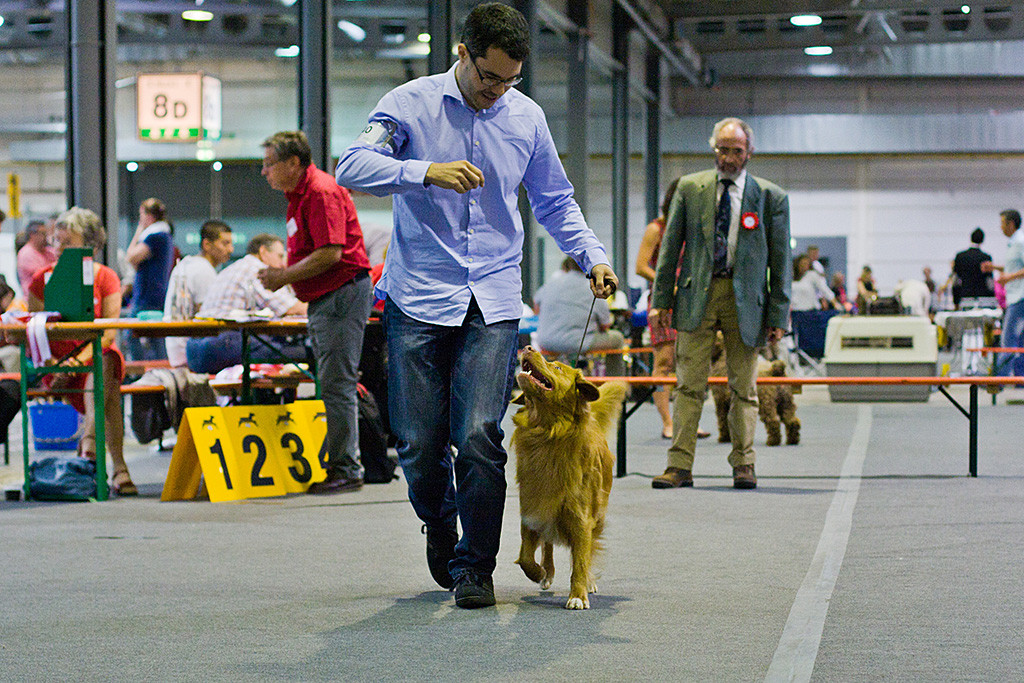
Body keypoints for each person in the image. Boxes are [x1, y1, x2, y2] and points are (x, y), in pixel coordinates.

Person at [335, 2, 618, 609]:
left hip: (492, 297)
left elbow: (555, 201)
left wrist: (592, 255)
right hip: (418, 297)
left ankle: (476, 568)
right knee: (416, 441)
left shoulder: (526, 118)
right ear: (462, 54)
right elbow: (351, 166)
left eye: (509, 81)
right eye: (488, 77)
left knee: (480, 433)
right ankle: (441, 524)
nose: (496, 92)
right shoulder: (409, 104)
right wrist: (424, 171)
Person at [649, 117, 790, 491]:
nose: (728, 158)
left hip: (749, 303)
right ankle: (679, 467)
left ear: (749, 153)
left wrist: (778, 313)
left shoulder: (771, 197)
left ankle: (744, 465)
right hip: (697, 294)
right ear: (714, 150)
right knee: (687, 386)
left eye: (736, 151)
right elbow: (670, 248)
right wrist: (661, 298)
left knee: (745, 388)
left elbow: (781, 261)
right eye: (722, 150)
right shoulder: (690, 188)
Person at [256, 130, 373, 495]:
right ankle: (341, 463)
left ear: (293, 163)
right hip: (329, 296)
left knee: (337, 384)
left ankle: (345, 468)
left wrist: (282, 277)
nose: (264, 172)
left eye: (269, 164)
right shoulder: (300, 194)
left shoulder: (320, 191)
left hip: (340, 293)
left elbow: (331, 253)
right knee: (333, 382)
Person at [27, 207, 136, 495]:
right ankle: (119, 467)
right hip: (56, 368)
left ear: (90, 246)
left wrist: (77, 362)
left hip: (91, 361)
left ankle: (88, 444)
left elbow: (109, 334)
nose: (59, 248)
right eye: (57, 241)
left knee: (106, 361)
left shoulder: (106, 277)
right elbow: (33, 331)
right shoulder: (41, 279)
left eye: (67, 242)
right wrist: (55, 365)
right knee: (108, 390)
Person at [635, 179, 711, 440]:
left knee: (690, 363)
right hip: (663, 301)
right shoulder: (656, 229)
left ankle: (688, 422)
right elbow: (640, 266)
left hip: (691, 301)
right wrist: (668, 283)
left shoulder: (696, 229)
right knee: (664, 362)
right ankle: (668, 422)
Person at [186, 233, 307, 374]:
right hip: (220, 345)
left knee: (271, 346)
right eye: (280, 256)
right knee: (304, 353)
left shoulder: (234, 268)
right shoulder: (257, 269)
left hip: (194, 349)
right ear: (263, 252)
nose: (282, 264)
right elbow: (293, 308)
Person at [534, 257, 625, 375]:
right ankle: (615, 383)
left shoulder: (551, 282)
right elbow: (605, 325)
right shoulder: (594, 286)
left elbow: (536, 306)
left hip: (546, 342)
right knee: (617, 338)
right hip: (577, 343)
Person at [162, 220, 234, 368]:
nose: (231, 249)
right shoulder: (203, 269)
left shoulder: (188, 264)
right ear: (207, 245)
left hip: (176, 351)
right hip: (191, 354)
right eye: (225, 243)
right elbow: (207, 316)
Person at [125, 198, 176, 360]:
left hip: (146, 296)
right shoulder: (165, 236)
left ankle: (139, 372)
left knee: (131, 335)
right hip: (156, 294)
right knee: (156, 339)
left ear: (149, 216)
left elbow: (131, 256)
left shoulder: (154, 236)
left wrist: (139, 230)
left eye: (141, 215)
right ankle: (160, 371)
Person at [982, 209, 1024, 376]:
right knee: (1020, 341)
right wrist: (995, 268)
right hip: (1015, 297)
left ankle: (997, 380)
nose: (1000, 228)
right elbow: (1014, 267)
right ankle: (1020, 380)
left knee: (1008, 340)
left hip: (1020, 297)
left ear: (1011, 224)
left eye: (1002, 224)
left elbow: (1014, 272)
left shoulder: (1020, 242)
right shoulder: (1013, 243)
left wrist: (1008, 277)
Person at [950, 227, 994, 309]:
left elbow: (956, 281)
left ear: (970, 238)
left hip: (965, 297)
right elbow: (989, 282)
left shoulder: (960, 256)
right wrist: (991, 298)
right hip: (982, 298)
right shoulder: (986, 257)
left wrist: (955, 301)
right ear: (982, 240)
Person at [16, 219, 57, 295]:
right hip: (34, 300)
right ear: (32, 235)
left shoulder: (49, 251)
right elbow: (41, 276)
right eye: (43, 233)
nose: (46, 237)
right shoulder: (26, 253)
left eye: (46, 233)